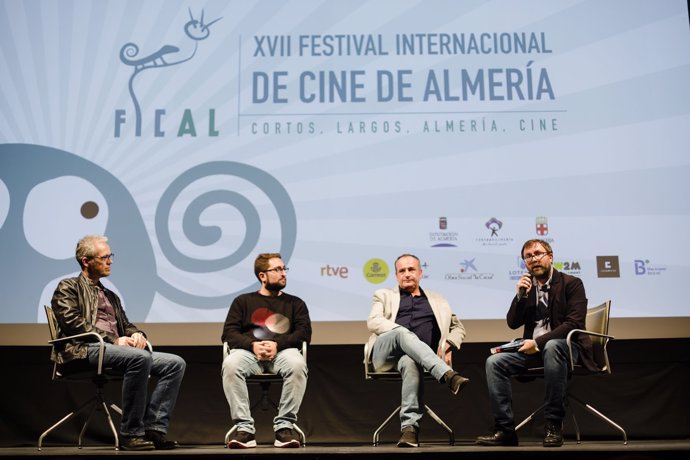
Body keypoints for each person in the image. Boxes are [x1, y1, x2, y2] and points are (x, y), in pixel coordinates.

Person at [50, 235, 186, 451]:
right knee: (140, 358)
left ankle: (154, 431)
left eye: (110, 256)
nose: (110, 261)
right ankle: (130, 433)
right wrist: (114, 339)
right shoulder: (68, 287)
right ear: (86, 261)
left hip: (115, 351)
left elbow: (125, 324)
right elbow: (73, 324)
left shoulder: (110, 295)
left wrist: (137, 334)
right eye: (104, 257)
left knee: (175, 363)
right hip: (83, 350)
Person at [476, 239, 594, 448]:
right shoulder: (528, 288)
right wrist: (520, 296)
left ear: (550, 256)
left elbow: (573, 323)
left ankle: (553, 425)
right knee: (494, 362)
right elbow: (512, 323)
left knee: (552, 346)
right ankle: (505, 430)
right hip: (533, 351)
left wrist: (537, 342)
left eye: (538, 253)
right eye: (528, 256)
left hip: (567, 349)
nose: (534, 259)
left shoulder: (571, 283)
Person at [366, 253, 469, 448]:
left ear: (420, 273)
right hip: (386, 353)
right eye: (402, 271)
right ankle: (447, 375)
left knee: (410, 361)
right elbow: (373, 321)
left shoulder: (438, 301)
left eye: (411, 269)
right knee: (403, 335)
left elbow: (458, 328)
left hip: (415, 359)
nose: (407, 274)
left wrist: (449, 343)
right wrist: (403, 333)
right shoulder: (384, 295)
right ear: (396, 275)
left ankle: (409, 430)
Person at [221, 253, 311, 449]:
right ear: (262, 276)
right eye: (277, 270)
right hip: (249, 353)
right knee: (230, 364)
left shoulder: (295, 303)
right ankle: (244, 429)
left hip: (283, 352)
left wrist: (277, 344)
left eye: (283, 269)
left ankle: (284, 428)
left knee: (297, 364)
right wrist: (252, 344)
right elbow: (228, 333)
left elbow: (304, 333)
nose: (283, 274)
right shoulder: (243, 301)